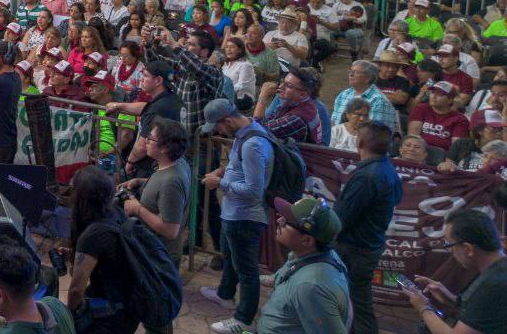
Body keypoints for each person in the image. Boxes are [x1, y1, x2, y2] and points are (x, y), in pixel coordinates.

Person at [199, 99, 273, 334]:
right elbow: (239, 167)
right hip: (235, 214)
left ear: (228, 121)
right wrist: (223, 171)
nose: (218, 132)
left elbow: (254, 190)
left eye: (218, 127)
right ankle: (225, 294)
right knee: (230, 256)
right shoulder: (246, 132)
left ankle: (245, 319)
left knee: (246, 270)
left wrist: (219, 182)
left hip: (245, 217)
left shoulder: (253, 144)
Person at [333, 121, 402, 334]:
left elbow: (343, 217)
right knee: (354, 300)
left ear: (359, 142)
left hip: (355, 248)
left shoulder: (367, 176)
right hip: (368, 245)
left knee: (357, 301)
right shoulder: (387, 169)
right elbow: (398, 197)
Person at [256, 196, 351, 334]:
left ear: (307, 240)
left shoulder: (311, 287)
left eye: (287, 221)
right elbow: (287, 274)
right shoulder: (306, 254)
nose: (279, 220)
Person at [404, 208, 507, 334]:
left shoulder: (492, 284)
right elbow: (486, 313)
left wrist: (423, 308)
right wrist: (453, 300)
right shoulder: (498, 271)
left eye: (450, 245)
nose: (451, 252)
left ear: (468, 249)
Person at [65, 167, 140, 334]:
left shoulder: (92, 235)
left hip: (111, 314)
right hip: (130, 305)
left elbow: (76, 290)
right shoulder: (116, 213)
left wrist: (68, 318)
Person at [119, 117, 191, 273]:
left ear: (164, 147)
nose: (145, 141)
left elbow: (170, 230)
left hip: (159, 257)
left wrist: (137, 209)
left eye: (150, 139)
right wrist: (140, 182)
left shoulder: (171, 181)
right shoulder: (178, 163)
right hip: (153, 251)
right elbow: (163, 191)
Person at [254, 67, 324, 144]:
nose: (280, 86)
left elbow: (256, 131)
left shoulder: (298, 119)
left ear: (302, 94)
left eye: (288, 86)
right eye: (282, 82)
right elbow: (268, 121)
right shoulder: (295, 102)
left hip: (301, 155)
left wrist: (262, 98)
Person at [330, 60, 400, 133]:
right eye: (350, 71)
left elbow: (376, 133)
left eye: (356, 72)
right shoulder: (344, 94)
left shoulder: (379, 101)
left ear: (368, 78)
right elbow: (333, 122)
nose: (351, 75)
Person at [408, 80, 470, 152]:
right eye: (433, 92)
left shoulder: (460, 119)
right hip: (416, 151)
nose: (434, 96)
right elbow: (413, 137)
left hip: (442, 157)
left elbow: (456, 148)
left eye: (440, 94)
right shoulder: (420, 108)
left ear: (450, 100)